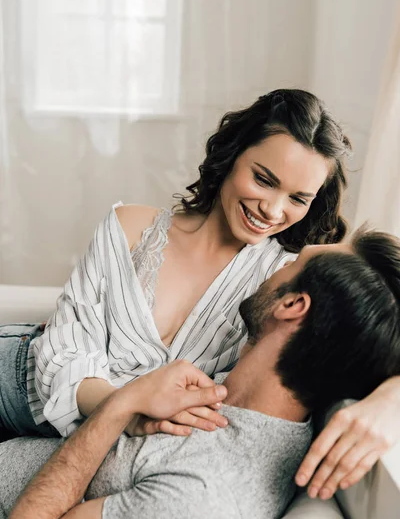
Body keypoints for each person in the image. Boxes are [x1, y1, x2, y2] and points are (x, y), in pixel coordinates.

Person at [0, 88, 351, 442]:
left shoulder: (286, 282)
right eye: (263, 179)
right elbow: (65, 351)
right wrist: (126, 410)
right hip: (13, 380)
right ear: (232, 155)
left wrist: (386, 401)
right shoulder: (129, 226)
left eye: (297, 199)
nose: (273, 211)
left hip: (70, 435)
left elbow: (383, 301)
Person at [2, 228, 400, 519]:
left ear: (293, 304)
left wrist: (121, 404)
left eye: (292, 264)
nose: (274, 267)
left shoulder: (203, 493)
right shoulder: (243, 392)